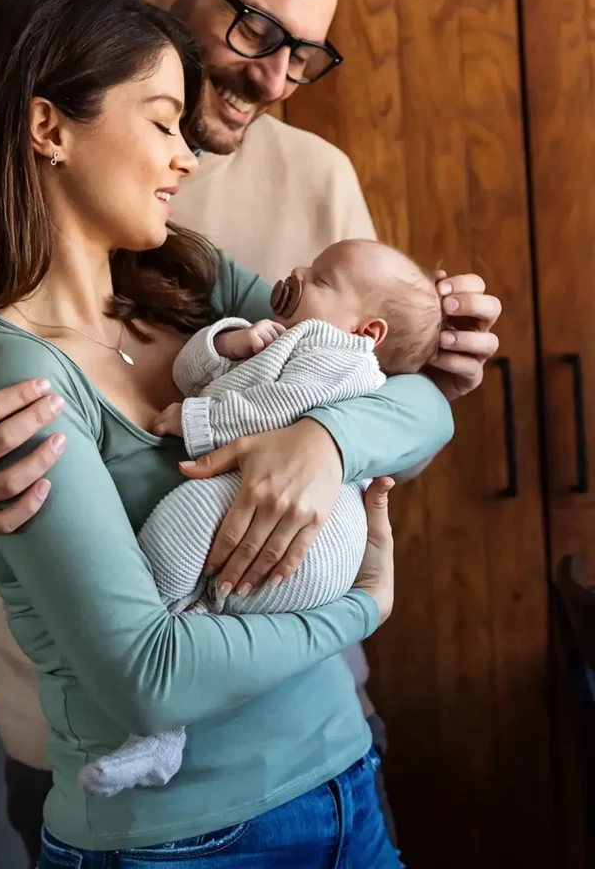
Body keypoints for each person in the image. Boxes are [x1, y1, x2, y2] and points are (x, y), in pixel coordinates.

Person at [0, 0, 500, 864]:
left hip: (334, 759)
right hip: (157, 804)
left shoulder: (191, 263)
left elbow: (402, 393)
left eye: (306, 55)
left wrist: (324, 438)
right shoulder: (9, 341)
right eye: (260, 34)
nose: (278, 79)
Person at [78, 238, 443, 799]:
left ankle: (161, 698)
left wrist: (195, 421)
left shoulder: (342, 357)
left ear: (368, 332)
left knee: (181, 520)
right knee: (197, 583)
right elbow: (190, 370)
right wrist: (229, 341)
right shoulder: (283, 333)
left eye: (321, 280)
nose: (297, 271)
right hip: (279, 520)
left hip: (315, 541)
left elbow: (278, 409)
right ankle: (163, 731)